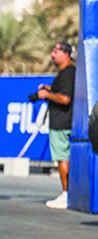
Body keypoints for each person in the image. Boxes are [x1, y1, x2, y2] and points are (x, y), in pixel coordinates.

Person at [37, 41, 75, 209]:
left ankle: (66, 195)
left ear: (66, 54)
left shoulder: (68, 73)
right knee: (67, 159)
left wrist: (47, 94)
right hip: (68, 121)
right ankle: (69, 194)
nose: (52, 54)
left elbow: (65, 98)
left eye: (56, 51)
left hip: (62, 122)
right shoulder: (68, 73)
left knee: (62, 159)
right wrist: (50, 88)